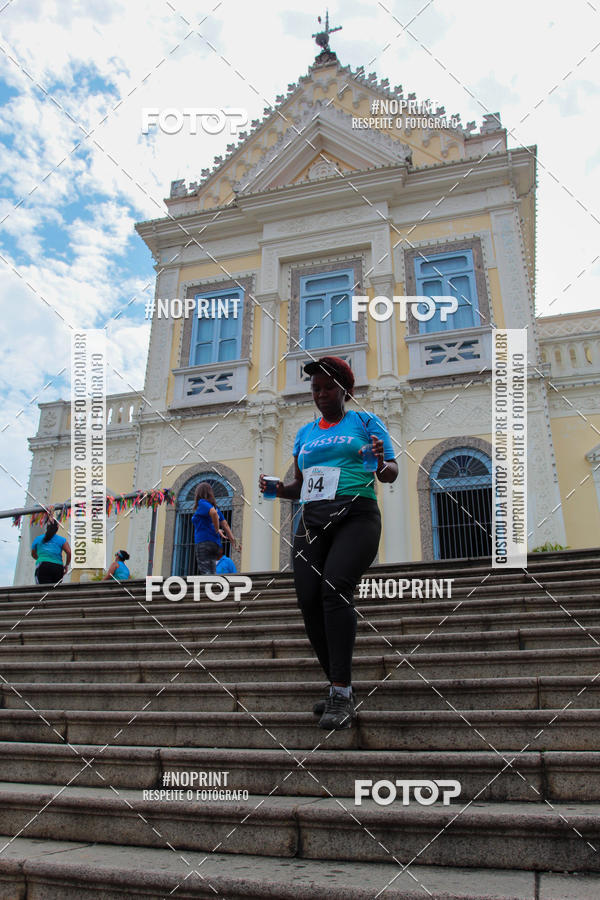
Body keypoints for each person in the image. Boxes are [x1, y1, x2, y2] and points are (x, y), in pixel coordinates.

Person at [259, 355, 398, 730]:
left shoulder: (366, 422)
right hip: (310, 520)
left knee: (335, 589)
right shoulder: (305, 433)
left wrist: (380, 462)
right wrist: (276, 489)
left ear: (345, 390)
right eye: (315, 388)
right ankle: (341, 685)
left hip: (356, 514)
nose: (320, 394)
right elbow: (299, 485)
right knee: (308, 600)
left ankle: (339, 690)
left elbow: (390, 474)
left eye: (327, 387)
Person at [192, 482, 239, 575]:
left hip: (203, 543)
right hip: (215, 544)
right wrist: (233, 541)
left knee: (206, 573)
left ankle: (209, 588)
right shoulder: (215, 507)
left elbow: (213, 514)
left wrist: (217, 529)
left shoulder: (202, 503)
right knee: (212, 573)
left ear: (198, 493)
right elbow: (225, 524)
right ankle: (214, 588)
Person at [31, 510, 71, 585]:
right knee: (54, 591)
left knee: (42, 589)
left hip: (43, 566)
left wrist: (42, 558)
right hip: (58, 567)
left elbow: (33, 554)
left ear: (47, 528)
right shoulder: (62, 540)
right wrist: (66, 565)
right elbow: (69, 552)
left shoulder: (38, 539)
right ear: (57, 529)